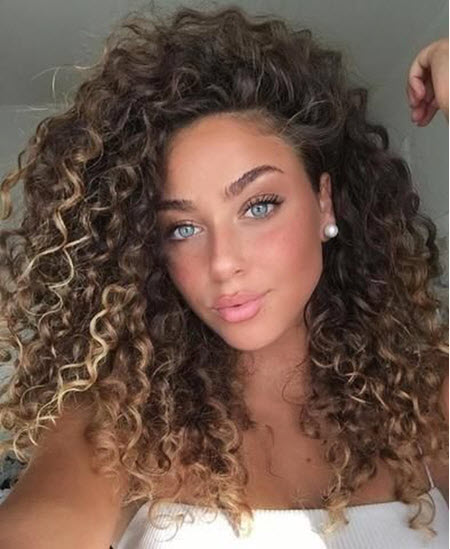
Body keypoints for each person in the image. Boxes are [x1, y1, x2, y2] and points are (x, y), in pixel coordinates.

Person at [0, 6, 448, 549]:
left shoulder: (427, 400)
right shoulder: (121, 423)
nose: (222, 262)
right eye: (183, 228)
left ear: (323, 201)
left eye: (258, 206)